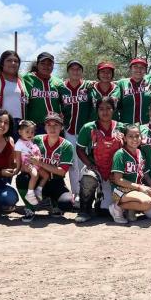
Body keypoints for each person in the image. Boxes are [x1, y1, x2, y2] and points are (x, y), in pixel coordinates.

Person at [18, 112, 76, 222]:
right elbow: (23, 154)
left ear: (62, 127)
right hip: (38, 180)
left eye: (56, 125)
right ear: (44, 127)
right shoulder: (36, 140)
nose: (52, 128)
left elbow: (62, 172)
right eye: (49, 125)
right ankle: (30, 208)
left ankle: (52, 203)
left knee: (67, 204)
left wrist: (41, 163)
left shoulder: (66, 145)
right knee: (22, 178)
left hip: (56, 181)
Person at [75, 96, 125, 223]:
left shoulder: (122, 128)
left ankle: (100, 201)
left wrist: (120, 171)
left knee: (105, 212)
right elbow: (80, 149)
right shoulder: (88, 128)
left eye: (108, 108)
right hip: (96, 168)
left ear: (114, 110)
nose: (105, 112)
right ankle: (85, 210)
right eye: (101, 108)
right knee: (88, 178)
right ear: (96, 110)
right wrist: (89, 164)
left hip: (114, 171)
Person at [109, 124, 151, 223]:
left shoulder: (140, 152)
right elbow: (118, 180)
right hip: (119, 191)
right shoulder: (120, 154)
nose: (134, 139)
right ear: (125, 138)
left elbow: (145, 173)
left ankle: (132, 209)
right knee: (148, 203)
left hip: (136, 189)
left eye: (137, 136)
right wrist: (140, 187)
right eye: (130, 136)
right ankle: (117, 207)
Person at [59, 60, 94, 202]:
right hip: (69, 130)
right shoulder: (61, 88)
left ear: (82, 71)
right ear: (68, 71)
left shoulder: (88, 86)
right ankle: (77, 193)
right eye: (72, 69)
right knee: (73, 163)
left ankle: (87, 193)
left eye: (78, 69)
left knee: (85, 162)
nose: (75, 71)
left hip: (86, 131)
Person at [0, 50, 27, 141]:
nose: (13, 63)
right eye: (9, 60)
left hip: (18, 123)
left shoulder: (21, 80)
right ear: (2, 63)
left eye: (16, 61)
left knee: (15, 151)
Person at [23, 52, 63, 133]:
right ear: (37, 65)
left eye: (49, 64)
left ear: (53, 66)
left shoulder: (58, 82)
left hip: (55, 125)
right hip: (35, 126)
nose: (46, 66)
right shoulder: (27, 79)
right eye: (43, 63)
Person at [13, 120, 50, 205]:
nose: (30, 134)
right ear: (20, 132)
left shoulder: (30, 141)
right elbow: (18, 158)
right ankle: (30, 194)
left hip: (35, 163)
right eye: (27, 132)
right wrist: (18, 169)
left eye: (32, 132)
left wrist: (37, 157)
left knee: (46, 175)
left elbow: (34, 152)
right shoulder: (19, 144)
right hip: (26, 164)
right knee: (35, 174)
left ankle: (38, 190)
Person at [115, 58, 151, 125]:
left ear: (145, 70)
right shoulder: (121, 83)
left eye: (142, 67)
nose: (138, 70)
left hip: (146, 127)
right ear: (130, 69)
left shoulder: (150, 81)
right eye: (135, 67)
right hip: (127, 127)